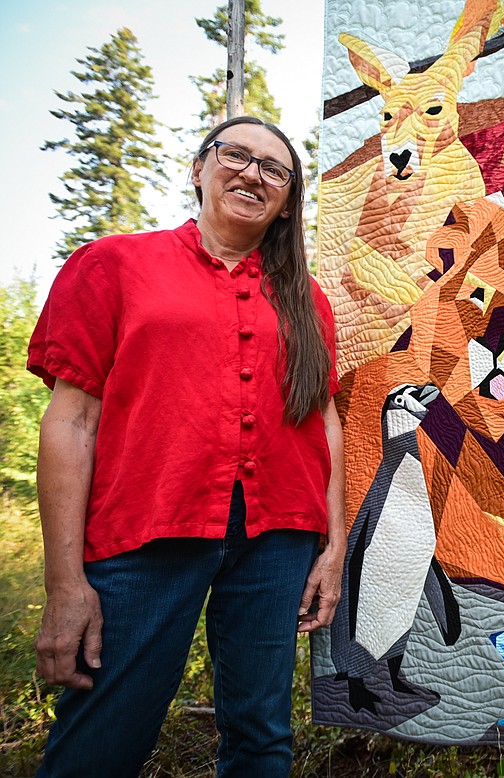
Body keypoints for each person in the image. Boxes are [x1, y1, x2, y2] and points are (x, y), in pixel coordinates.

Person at [27, 116, 346, 777]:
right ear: (197, 169)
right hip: (147, 531)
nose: (254, 173)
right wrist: (65, 584)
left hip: (278, 537)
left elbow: (324, 422)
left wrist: (334, 543)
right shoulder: (113, 264)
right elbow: (70, 423)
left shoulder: (307, 300)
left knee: (261, 734)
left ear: (286, 202)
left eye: (274, 169)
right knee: (105, 731)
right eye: (237, 155)